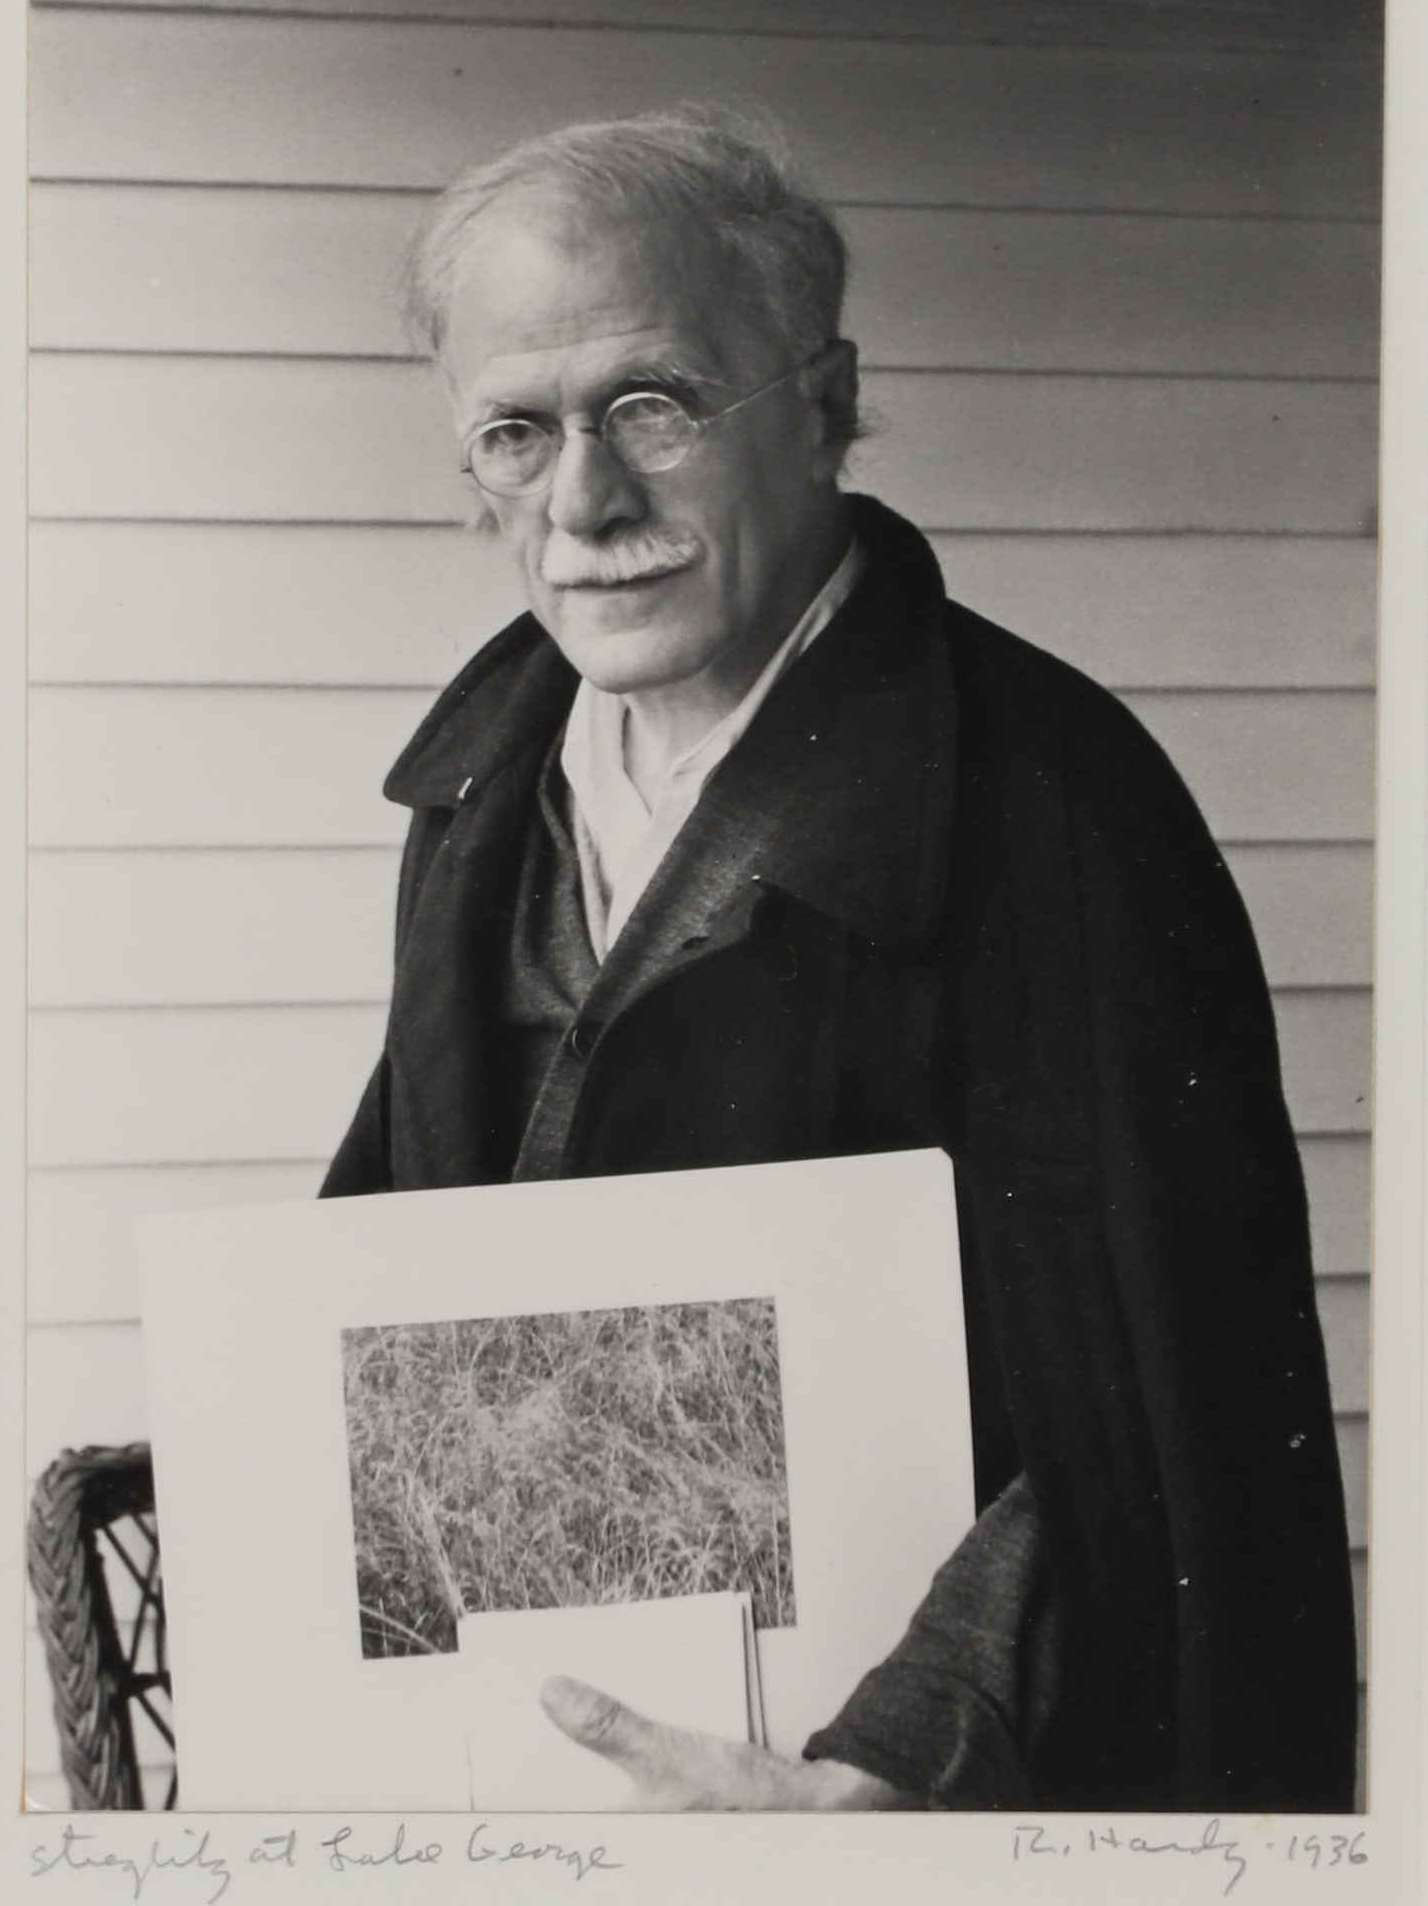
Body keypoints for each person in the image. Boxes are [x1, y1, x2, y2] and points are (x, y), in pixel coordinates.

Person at [321, 106, 1357, 1813]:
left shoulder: (1058, 804)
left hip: (894, 1794)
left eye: (648, 406)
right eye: (515, 432)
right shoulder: (483, 785)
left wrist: (887, 1769)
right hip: (554, 1755)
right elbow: (399, 1250)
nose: (583, 498)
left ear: (819, 398)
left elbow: (1148, 1411)